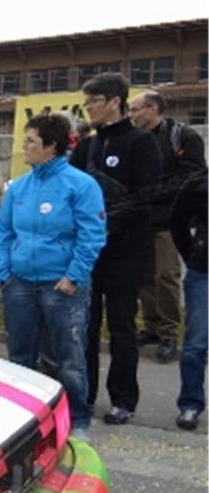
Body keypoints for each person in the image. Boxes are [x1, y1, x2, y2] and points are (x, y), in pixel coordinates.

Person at [0, 114, 106, 439]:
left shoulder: (81, 185)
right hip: (19, 283)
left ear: (51, 145)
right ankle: (24, 422)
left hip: (62, 284)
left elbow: (92, 235)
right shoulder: (18, 187)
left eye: (31, 141)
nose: (24, 146)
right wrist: (3, 273)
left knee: (68, 357)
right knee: (20, 356)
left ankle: (77, 420)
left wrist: (74, 276)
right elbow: (4, 233)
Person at [70, 73, 163, 425]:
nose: (89, 108)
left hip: (127, 250)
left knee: (122, 326)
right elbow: (71, 195)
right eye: (87, 102)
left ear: (114, 102)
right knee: (86, 326)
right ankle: (85, 395)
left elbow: (146, 195)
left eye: (94, 101)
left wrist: (105, 225)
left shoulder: (142, 142)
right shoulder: (86, 147)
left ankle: (123, 398)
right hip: (89, 253)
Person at [128, 89, 207, 363]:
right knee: (144, 275)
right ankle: (151, 327)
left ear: (153, 109)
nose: (132, 115)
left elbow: (192, 177)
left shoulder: (183, 136)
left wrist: (154, 192)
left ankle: (169, 333)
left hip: (170, 220)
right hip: (140, 219)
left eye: (136, 109)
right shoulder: (136, 139)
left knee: (166, 275)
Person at [170, 170, 207, 431]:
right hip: (203, 271)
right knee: (196, 344)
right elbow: (177, 221)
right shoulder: (200, 182)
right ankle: (191, 404)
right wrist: (193, 254)